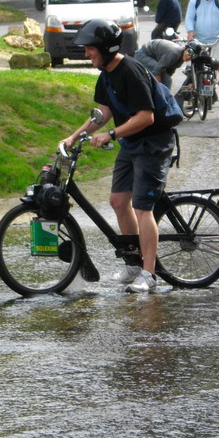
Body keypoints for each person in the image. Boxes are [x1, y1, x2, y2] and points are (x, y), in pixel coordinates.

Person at [60, 18, 177, 293]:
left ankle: (148, 274)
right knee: (117, 201)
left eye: (90, 49)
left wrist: (112, 135)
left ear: (105, 48)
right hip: (131, 142)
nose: (86, 53)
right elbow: (103, 113)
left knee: (142, 208)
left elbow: (146, 117)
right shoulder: (107, 75)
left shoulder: (131, 72)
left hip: (153, 143)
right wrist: (73, 136)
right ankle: (133, 263)